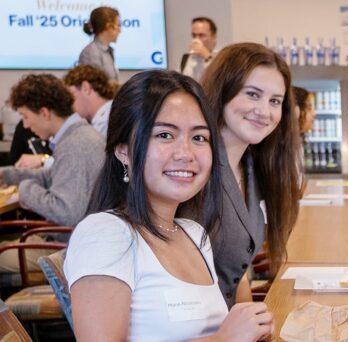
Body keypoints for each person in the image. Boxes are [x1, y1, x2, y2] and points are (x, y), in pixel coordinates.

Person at [65, 69, 272, 341]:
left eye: (199, 138)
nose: (185, 153)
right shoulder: (105, 234)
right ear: (123, 149)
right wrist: (224, 339)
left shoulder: (194, 234)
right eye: (164, 135)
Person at [200, 42, 303, 307]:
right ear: (223, 90)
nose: (264, 111)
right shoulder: (193, 168)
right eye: (253, 94)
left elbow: (237, 274)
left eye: (275, 101)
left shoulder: (251, 167)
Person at [0, 74, 105, 272]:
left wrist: (25, 189)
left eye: (25, 116)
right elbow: (53, 177)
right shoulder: (80, 135)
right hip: (75, 241)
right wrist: (7, 175)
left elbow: (66, 212)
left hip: (70, 249)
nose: (25, 125)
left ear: (44, 112)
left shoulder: (74, 145)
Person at [78, 6, 120, 82]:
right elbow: (95, 87)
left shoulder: (107, 51)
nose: (120, 30)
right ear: (109, 27)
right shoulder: (91, 53)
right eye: (118, 25)